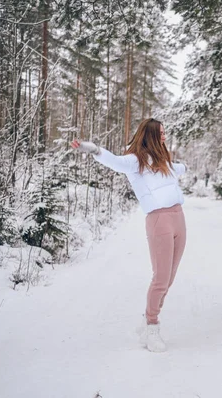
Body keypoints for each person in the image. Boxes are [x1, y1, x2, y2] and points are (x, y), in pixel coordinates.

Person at [70, 118, 187, 352]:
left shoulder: (164, 159)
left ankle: (146, 320)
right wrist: (94, 149)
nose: (164, 136)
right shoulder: (136, 161)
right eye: (161, 133)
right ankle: (152, 328)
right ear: (151, 135)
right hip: (159, 221)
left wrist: (186, 168)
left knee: (169, 279)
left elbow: (177, 170)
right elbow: (114, 162)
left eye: (164, 132)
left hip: (178, 218)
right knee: (161, 278)